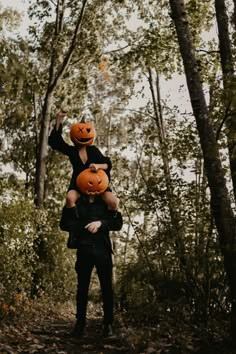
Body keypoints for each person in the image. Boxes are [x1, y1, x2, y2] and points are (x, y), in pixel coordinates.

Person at [60, 192, 123, 338]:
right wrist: (85, 226)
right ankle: (80, 325)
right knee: (82, 288)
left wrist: (100, 223)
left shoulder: (106, 202)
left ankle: (108, 325)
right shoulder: (76, 202)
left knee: (107, 288)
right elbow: (64, 224)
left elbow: (118, 223)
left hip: (103, 250)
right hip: (84, 249)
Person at [48, 111, 118, 216]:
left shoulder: (93, 150)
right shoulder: (72, 151)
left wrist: (97, 166)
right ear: (73, 134)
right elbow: (56, 142)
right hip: (78, 183)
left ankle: (106, 222)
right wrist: (59, 119)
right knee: (70, 198)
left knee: (113, 202)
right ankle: (75, 220)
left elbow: (107, 164)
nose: (83, 134)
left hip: (97, 183)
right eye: (80, 131)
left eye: (87, 131)